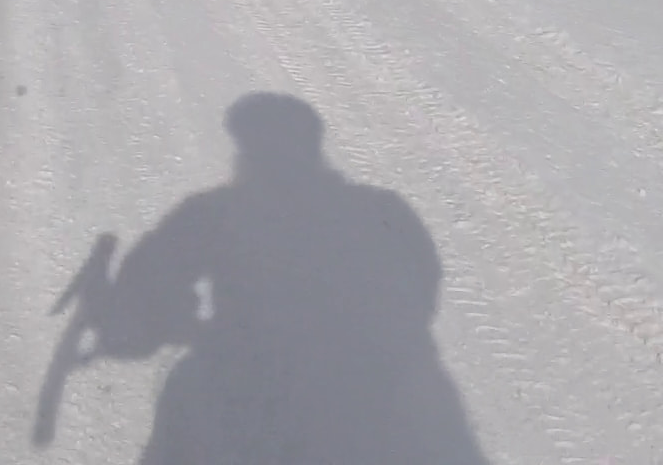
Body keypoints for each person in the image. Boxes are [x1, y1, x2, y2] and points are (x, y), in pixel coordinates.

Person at [38, 93, 490, 464]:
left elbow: (140, 310)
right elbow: (422, 295)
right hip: (383, 401)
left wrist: (122, 318)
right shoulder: (385, 211)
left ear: (247, 154)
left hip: (253, 403)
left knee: (187, 401)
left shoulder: (214, 214)